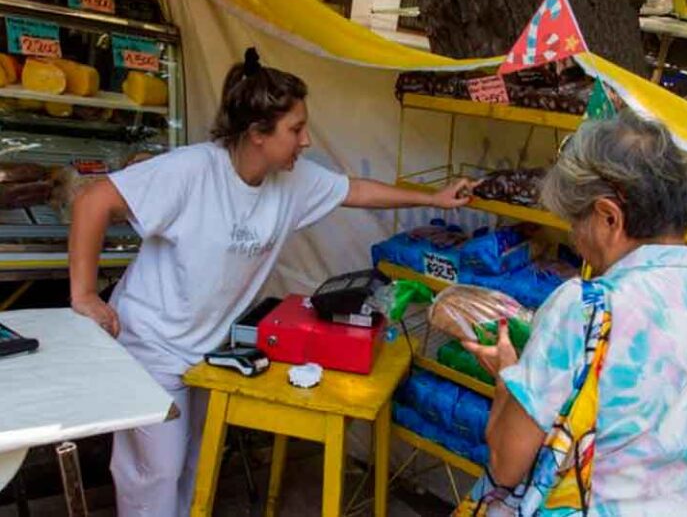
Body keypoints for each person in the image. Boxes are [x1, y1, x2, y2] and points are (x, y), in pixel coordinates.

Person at [68, 47, 476, 517]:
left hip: (206, 350)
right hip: (152, 344)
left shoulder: (294, 181)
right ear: (258, 133)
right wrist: (83, 295)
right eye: (296, 129)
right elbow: (92, 201)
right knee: (155, 477)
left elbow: (356, 190)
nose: (305, 142)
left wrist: (436, 198)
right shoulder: (192, 170)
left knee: (193, 467)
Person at [457, 111, 687, 516]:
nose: (575, 237)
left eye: (576, 221)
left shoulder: (585, 309)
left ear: (609, 217)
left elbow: (506, 464)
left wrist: (508, 376)